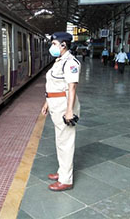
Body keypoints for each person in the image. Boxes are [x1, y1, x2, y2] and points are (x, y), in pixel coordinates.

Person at [41, 32, 81, 192]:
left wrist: (69, 111)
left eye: (54, 44)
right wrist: (47, 102)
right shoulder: (59, 61)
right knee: (60, 140)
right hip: (55, 104)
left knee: (66, 143)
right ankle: (61, 171)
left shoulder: (71, 63)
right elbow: (54, 84)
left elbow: (72, 87)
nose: (52, 47)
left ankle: (66, 180)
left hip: (64, 106)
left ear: (63, 45)